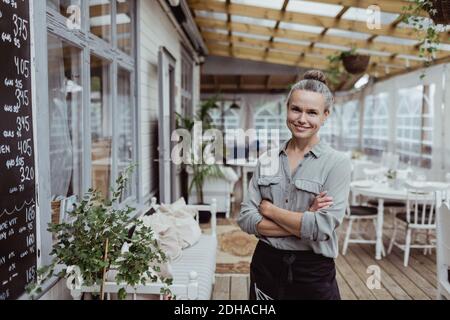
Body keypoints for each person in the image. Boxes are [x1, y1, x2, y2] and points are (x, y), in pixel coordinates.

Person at [238, 70, 352, 300]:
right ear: (287, 107)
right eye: (296, 109)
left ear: (325, 115)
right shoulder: (267, 159)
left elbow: (322, 228)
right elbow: (246, 218)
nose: (302, 119)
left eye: (312, 112)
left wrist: (270, 211)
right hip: (266, 265)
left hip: (313, 272)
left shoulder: (337, 163)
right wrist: (304, 218)